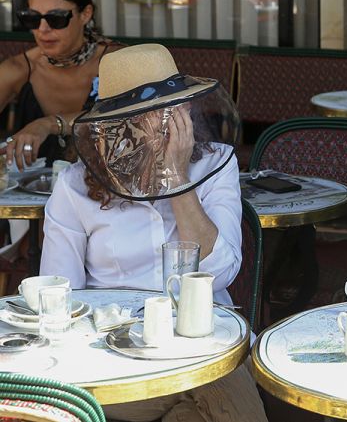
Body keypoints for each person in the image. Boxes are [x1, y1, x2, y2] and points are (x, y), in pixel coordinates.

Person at [41, 43, 266, 422]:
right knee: (217, 379)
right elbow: (58, 297)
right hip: (115, 353)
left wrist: (177, 178)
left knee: (202, 393)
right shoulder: (75, 186)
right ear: (116, 129)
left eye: (178, 107)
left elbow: (222, 271)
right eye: (154, 115)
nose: (173, 122)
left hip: (203, 334)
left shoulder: (215, 163)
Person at [0, 0, 115, 168]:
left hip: (108, 195)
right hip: (35, 196)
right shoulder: (19, 68)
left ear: (85, 14)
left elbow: (131, 116)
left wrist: (49, 124)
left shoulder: (117, 61)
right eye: (33, 18)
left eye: (56, 18)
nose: (43, 29)